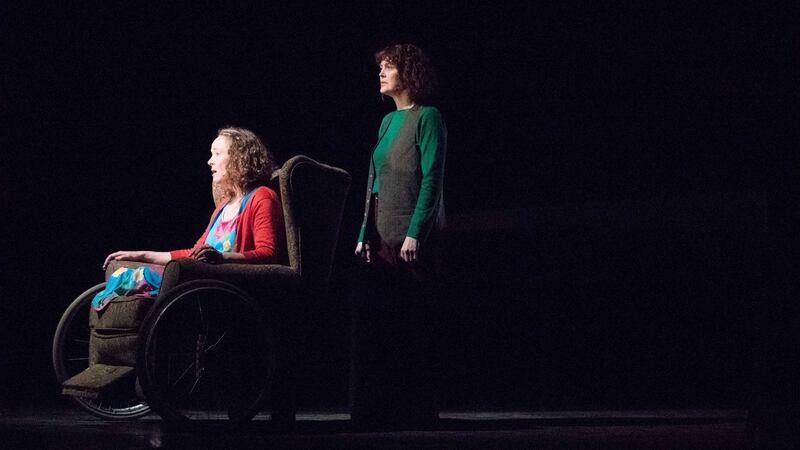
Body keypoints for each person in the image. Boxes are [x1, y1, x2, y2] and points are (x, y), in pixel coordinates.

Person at [350, 43, 447, 429]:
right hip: (379, 237)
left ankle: (417, 413)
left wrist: (415, 232)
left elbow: (432, 179)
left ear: (407, 74)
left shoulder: (428, 118)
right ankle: (380, 411)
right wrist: (363, 233)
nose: (381, 73)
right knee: (381, 327)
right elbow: (373, 183)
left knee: (411, 326)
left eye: (388, 67)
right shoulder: (387, 122)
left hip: (409, 239)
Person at [95, 126, 284, 309]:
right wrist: (142, 255)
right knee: (125, 273)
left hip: (224, 285)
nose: (210, 161)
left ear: (238, 158)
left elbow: (268, 253)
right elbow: (193, 254)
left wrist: (221, 257)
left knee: (137, 278)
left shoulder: (262, 196)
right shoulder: (223, 207)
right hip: (201, 280)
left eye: (217, 154)